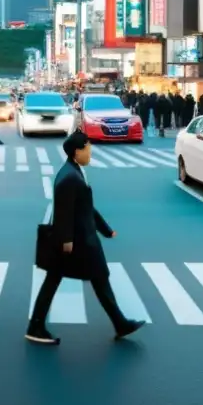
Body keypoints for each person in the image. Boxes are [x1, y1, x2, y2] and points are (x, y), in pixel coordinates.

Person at [26, 131, 145, 346]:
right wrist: (66, 241)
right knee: (94, 278)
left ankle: (119, 323)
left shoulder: (73, 172)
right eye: (88, 149)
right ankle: (36, 326)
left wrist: (105, 229)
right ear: (76, 152)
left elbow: (85, 207)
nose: (90, 152)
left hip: (80, 239)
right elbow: (63, 212)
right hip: (78, 243)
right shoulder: (69, 177)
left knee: (85, 280)